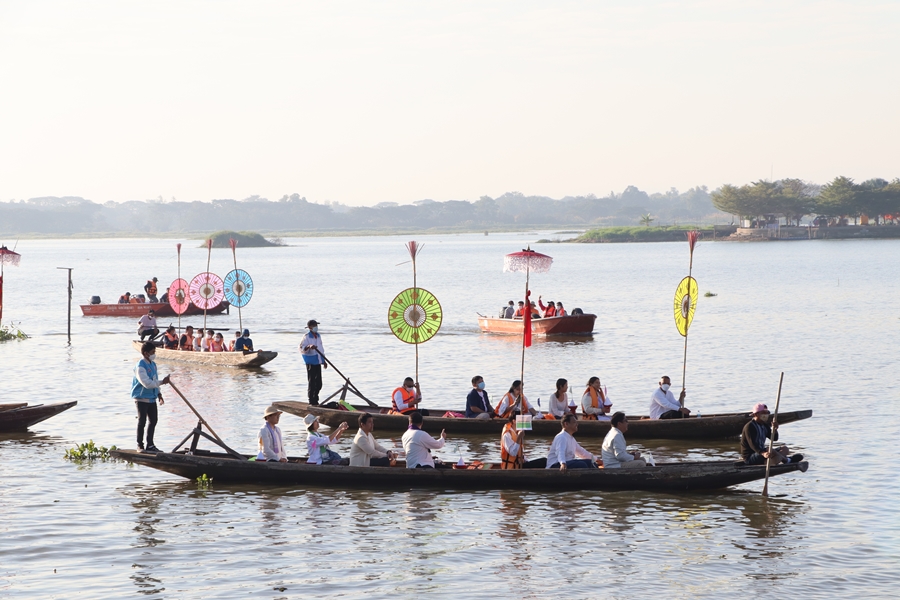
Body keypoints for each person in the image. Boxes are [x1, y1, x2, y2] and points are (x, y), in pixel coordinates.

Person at [132, 341, 170, 452]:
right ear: (145, 353)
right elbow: (147, 383)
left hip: (151, 398)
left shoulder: (153, 365)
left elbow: (154, 380)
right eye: (152, 352)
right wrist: (163, 382)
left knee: (153, 421)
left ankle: (150, 445)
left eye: (154, 352)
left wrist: (159, 394)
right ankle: (140, 445)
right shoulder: (140, 366)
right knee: (142, 421)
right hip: (141, 397)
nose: (154, 354)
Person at [299, 320, 326, 405]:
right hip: (311, 361)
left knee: (319, 383)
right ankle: (312, 401)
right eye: (314, 326)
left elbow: (321, 349)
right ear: (310, 327)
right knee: (312, 382)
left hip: (317, 361)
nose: (316, 327)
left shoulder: (318, 336)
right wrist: (308, 347)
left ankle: (316, 399)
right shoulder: (306, 336)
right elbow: (301, 347)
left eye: (316, 325)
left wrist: (323, 361)